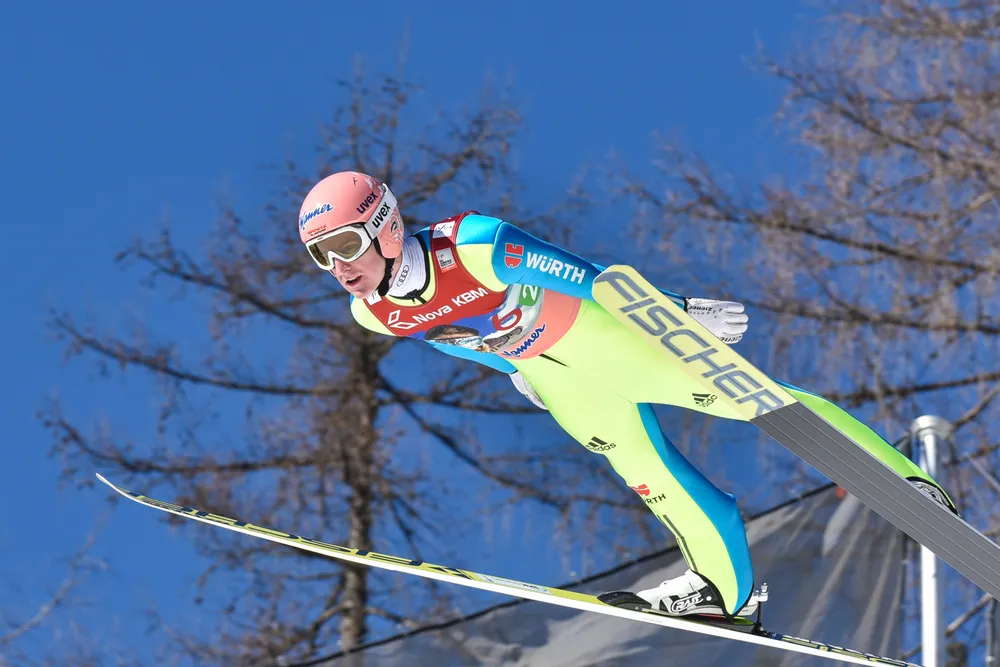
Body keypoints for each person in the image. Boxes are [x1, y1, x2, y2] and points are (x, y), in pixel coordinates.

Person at [298, 170, 956, 620]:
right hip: (558, 379)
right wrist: (515, 372)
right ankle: (727, 589)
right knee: (650, 475)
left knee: (756, 401)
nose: (340, 268)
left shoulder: (474, 245)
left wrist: (674, 312)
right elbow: (451, 331)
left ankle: (902, 479)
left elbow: (582, 277)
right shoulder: (375, 314)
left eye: (346, 244)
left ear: (385, 226)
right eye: (321, 257)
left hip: (606, 338)